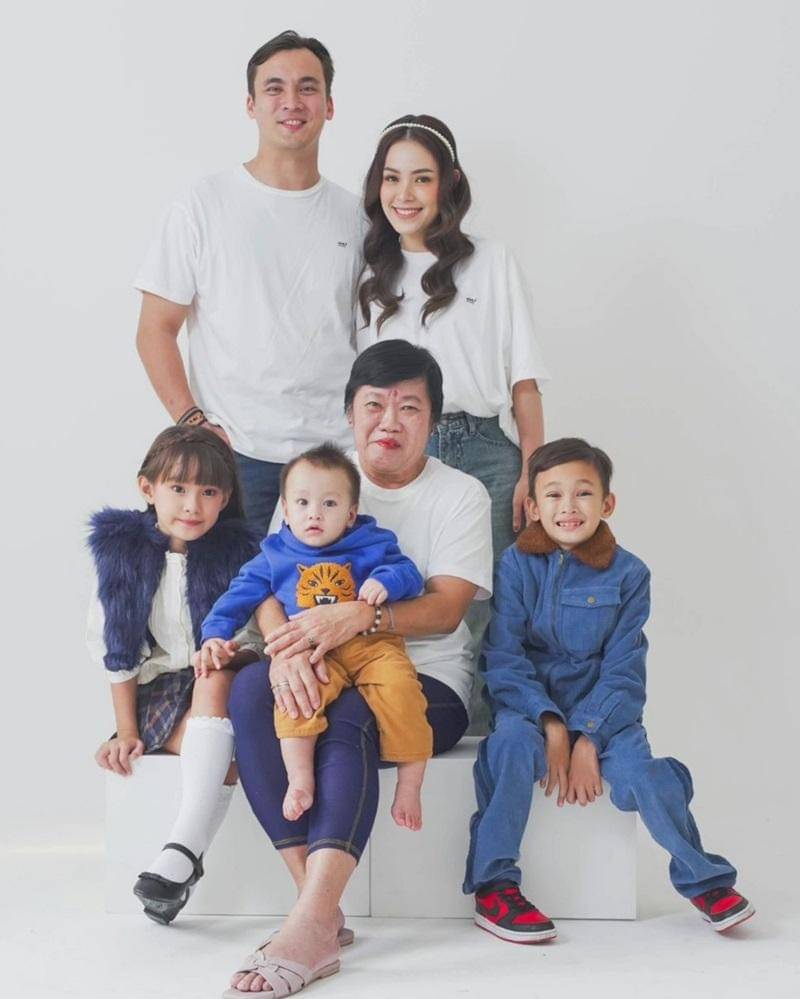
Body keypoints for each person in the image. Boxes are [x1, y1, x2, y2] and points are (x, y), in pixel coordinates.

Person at [223, 341, 492, 996]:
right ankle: (318, 910)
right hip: (317, 654)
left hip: (425, 678)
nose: (389, 421)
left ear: (433, 419)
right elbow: (267, 578)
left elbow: (447, 610)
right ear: (350, 412)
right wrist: (283, 646)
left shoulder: (460, 494)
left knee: (347, 712)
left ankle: (307, 925)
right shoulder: (316, 480)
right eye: (374, 405)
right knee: (252, 688)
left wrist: (360, 618)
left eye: (410, 407)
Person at [464, 437, 754, 943]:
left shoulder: (630, 574)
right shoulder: (514, 565)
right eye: (553, 495)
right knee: (507, 749)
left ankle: (705, 881)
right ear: (532, 507)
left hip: (610, 715)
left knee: (646, 776)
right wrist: (551, 724)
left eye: (583, 493)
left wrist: (589, 735)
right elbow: (504, 657)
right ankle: (495, 887)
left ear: (607, 503)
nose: (568, 507)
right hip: (528, 710)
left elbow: (625, 670)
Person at [134, 30, 365, 536]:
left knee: (332, 589)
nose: (291, 102)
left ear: (329, 105)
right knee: (228, 590)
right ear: (250, 104)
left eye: (308, 87)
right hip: (235, 457)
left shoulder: (358, 217)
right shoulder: (202, 205)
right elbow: (155, 329)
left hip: (335, 459)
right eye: (274, 88)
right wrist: (194, 424)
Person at [197, 442, 432, 831]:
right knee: (296, 698)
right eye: (302, 503)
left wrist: (385, 581)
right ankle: (300, 778)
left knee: (402, 689)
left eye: (329, 504)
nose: (314, 514)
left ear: (351, 513)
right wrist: (213, 635)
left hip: (372, 647)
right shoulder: (273, 555)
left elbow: (408, 574)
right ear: (286, 510)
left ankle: (409, 785)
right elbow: (237, 596)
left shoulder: (373, 543)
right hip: (314, 654)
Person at [356, 113, 550, 565]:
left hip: (486, 453)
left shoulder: (492, 261)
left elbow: (524, 381)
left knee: (492, 596)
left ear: (450, 182)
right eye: (392, 178)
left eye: (422, 179)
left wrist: (534, 472)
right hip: (395, 450)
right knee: (397, 586)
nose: (404, 195)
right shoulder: (368, 276)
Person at [88, 426, 260, 925]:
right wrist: (126, 730)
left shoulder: (240, 552)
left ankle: (181, 850)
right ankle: (186, 856)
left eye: (208, 492)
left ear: (224, 498)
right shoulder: (122, 554)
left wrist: (229, 650)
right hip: (161, 690)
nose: (192, 505)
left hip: (223, 677)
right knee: (230, 751)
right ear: (148, 488)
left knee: (215, 676)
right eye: (178, 488)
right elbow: (116, 648)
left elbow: (258, 633)